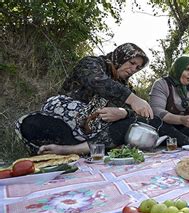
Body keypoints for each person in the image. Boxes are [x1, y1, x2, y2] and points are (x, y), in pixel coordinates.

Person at [16, 43, 158, 155]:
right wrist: (132, 99)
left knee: (131, 124)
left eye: (138, 67)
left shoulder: (124, 85)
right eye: (131, 63)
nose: (133, 69)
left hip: (91, 132)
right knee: (30, 123)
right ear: (121, 57)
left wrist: (123, 112)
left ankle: (71, 150)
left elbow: (132, 113)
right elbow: (97, 81)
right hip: (63, 120)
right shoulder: (91, 63)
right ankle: (70, 147)